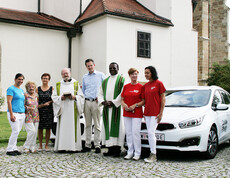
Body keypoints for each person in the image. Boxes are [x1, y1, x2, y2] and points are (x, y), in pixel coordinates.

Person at [52, 68, 84, 152]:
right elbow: (54, 97)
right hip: (62, 110)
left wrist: (74, 97)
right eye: (63, 73)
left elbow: (81, 97)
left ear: (70, 73)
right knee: (62, 128)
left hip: (73, 110)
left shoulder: (76, 83)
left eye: (66, 73)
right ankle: (61, 147)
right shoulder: (58, 84)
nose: (65, 75)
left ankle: (73, 147)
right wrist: (60, 98)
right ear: (61, 75)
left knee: (72, 128)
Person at [98, 62, 125, 157]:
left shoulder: (122, 80)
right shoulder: (105, 81)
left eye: (114, 68)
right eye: (110, 68)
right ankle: (109, 149)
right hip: (106, 108)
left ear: (118, 68)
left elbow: (122, 93)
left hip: (116, 108)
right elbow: (100, 93)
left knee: (117, 127)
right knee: (107, 128)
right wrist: (103, 102)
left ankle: (117, 149)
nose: (112, 69)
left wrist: (113, 102)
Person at [142, 66, 166, 163]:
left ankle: (153, 154)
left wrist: (161, 113)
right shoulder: (145, 86)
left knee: (151, 132)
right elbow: (144, 100)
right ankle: (151, 153)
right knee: (149, 133)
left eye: (147, 73)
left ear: (152, 73)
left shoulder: (159, 84)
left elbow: (163, 99)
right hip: (147, 113)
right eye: (145, 73)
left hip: (155, 113)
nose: (146, 75)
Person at [82, 59, 106, 153]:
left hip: (96, 102)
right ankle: (87, 145)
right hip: (87, 101)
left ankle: (97, 145)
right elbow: (84, 90)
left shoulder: (101, 75)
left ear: (94, 65)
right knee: (87, 124)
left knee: (97, 124)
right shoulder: (84, 77)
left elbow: (105, 87)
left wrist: (101, 97)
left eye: (91, 65)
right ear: (86, 67)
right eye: (88, 66)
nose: (90, 67)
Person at [121, 68, 144, 161]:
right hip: (127, 113)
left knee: (135, 133)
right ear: (129, 75)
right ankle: (130, 152)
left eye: (136, 74)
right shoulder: (126, 86)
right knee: (129, 133)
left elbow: (144, 101)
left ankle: (137, 153)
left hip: (137, 113)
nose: (134, 76)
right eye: (132, 74)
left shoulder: (141, 87)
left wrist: (136, 105)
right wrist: (124, 105)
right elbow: (122, 99)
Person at [6, 73, 25, 156]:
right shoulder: (11, 89)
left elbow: (21, 102)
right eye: (19, 79)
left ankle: (14, 148)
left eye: (22, 79)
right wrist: (11, 114)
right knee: (15, 131)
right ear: (15, 79)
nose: (20, 81)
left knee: (17, 131)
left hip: (22, 113)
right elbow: (9, 101)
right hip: (14, 113)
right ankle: (9, 149)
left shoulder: (21, 90)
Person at [37, 73, 54, 151]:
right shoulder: (37, 89)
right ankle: (40, 145)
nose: (45, 80)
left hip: (49, 111)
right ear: (41, 79)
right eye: (43, 78)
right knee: (40, 128)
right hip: (40, 110)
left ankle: (46, 145)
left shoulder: (52, 89)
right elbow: (35, 99)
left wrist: (49, 103)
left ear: (49, 80)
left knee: (48, 128)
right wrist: (42, 105)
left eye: (46, 78)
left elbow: (54, 99)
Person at [23, 81, 39, 153]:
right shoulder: (25, 95)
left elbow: (37, 105)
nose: (31, 88)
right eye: (29, 87)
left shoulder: (36, 95)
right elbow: (22, 105)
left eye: (32, 87)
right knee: (32, 131)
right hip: (28, 115)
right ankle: (26, 146)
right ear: (27, 88)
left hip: (36, 115)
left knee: (35, 132)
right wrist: (27, 107)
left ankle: (32, 147)